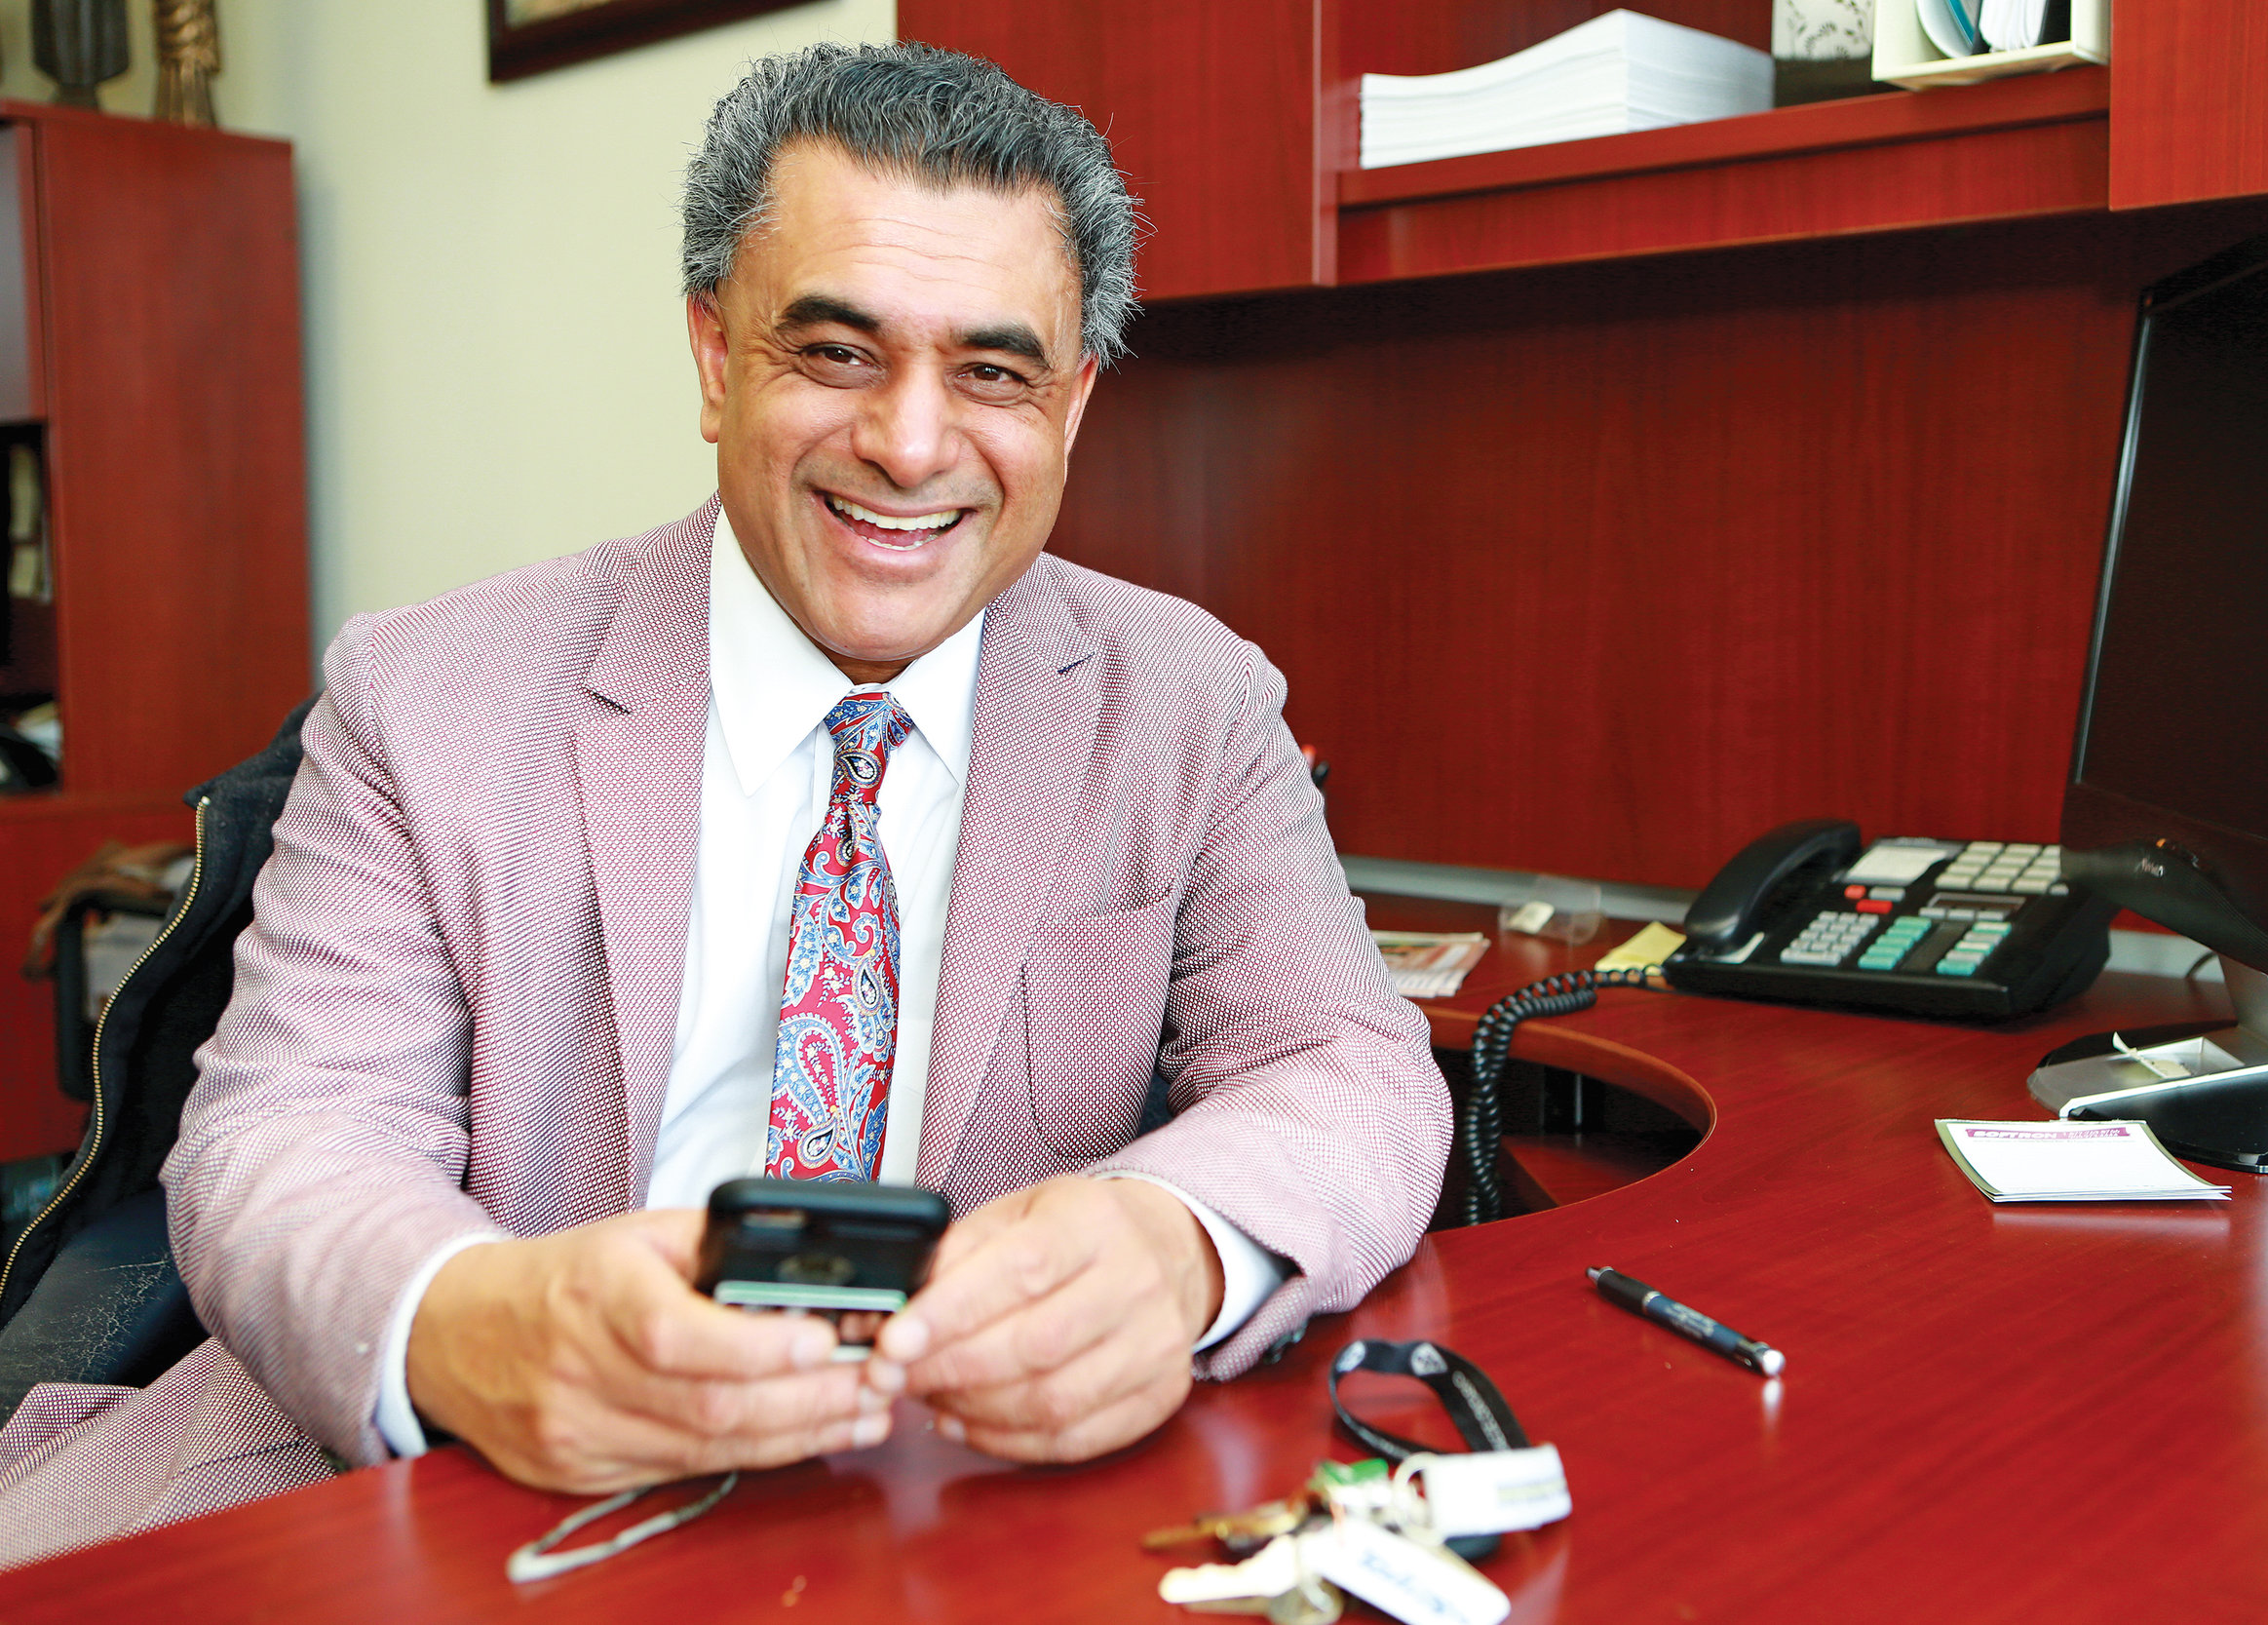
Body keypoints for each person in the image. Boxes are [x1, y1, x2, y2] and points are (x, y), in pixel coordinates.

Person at [0, 41, 1445, 1562]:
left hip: (964, 1514)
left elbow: (1348, 1064)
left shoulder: (1189, 703)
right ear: (714, 355)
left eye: (993, 372)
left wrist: (1175, 1244)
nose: (909, 445)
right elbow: (284, 1134)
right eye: (837, 354)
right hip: (462, 1494)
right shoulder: (424, 696)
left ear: (1073, 404)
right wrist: (479, 1323)